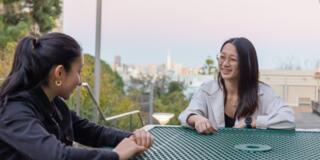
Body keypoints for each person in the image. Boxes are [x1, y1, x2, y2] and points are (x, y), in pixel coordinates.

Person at [0, 32, 153, 160]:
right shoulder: (14, 112)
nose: (80, 81)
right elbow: (58, 156)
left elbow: (90, 131)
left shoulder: (52, 103)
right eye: (78, 72)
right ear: (59, 73)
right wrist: (115, 155)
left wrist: (133, 137)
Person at [179, 37, 295, 134]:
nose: (225, 64)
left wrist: (250, 122)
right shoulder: (207, 89)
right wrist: (196, 118)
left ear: (246, 65)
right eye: (222, 57)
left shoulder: (262, 92)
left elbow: (288, 118)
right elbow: (186, 115)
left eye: (233, 59)